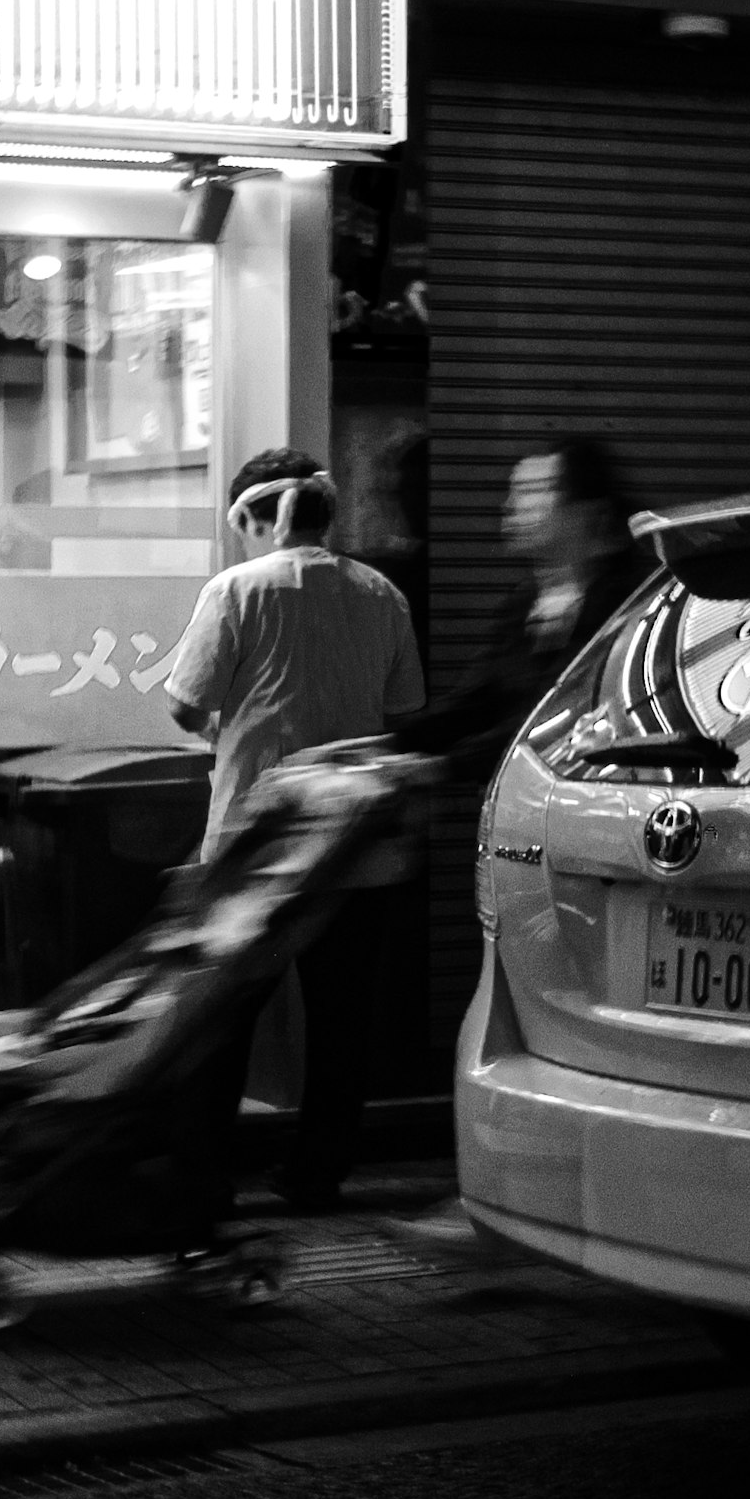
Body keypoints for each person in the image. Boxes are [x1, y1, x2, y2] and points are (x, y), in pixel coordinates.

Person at [160, 447, 423, 1216]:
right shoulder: (382, 594)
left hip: (257, 850)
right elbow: (405, 712)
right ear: (325, 514)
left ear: (250, 515)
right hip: (357, 845)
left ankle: (203, 1181)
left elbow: (185, 703)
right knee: (342, 1023)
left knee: (221, 1014)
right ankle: (317, 1176)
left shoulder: (235, 589)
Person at [395, 437, 652, 780]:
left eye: (534, 490)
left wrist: (438, 767)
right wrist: (388, 745)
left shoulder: (626, 606)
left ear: (588, 512)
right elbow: (475, 703)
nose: (512, 504)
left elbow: (558, 719)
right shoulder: (522, 605)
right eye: (514, 490)